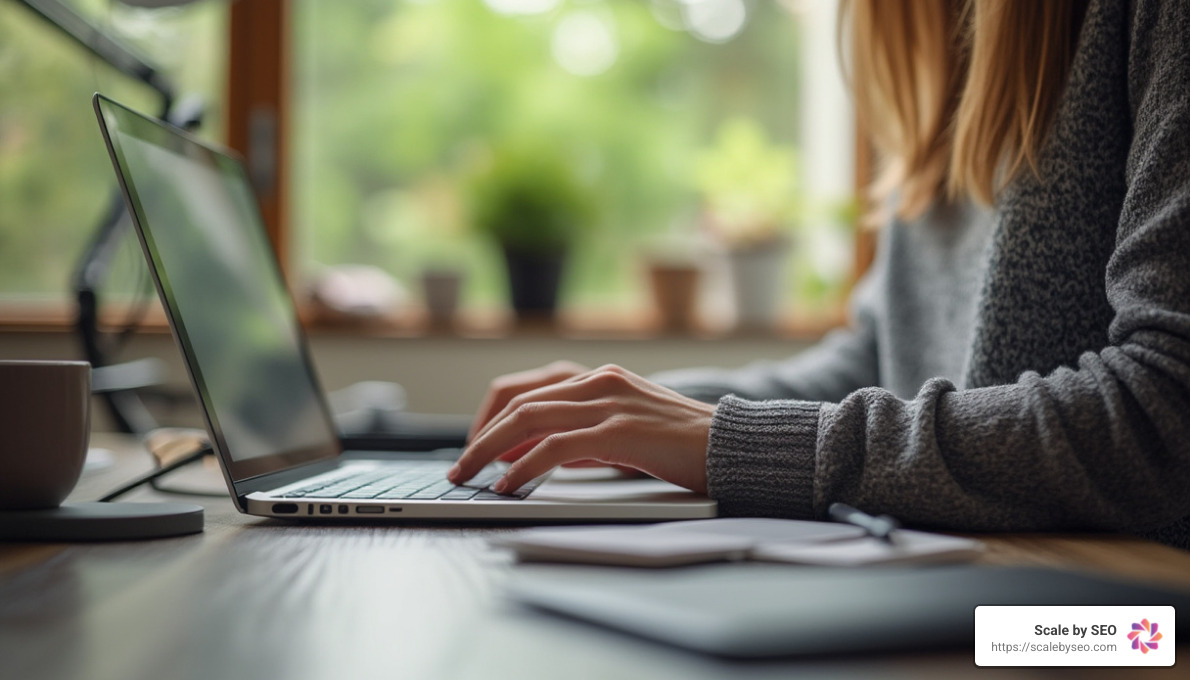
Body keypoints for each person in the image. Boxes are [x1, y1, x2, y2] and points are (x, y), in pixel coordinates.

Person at [450, 0, 1190, 548]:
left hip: (1108, 619)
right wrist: (635, 415)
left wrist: (732, 442)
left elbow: (1165, 417)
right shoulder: (931, 41)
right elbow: (875, 361)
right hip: (973, 567)